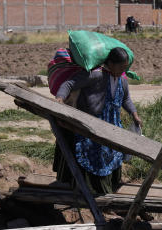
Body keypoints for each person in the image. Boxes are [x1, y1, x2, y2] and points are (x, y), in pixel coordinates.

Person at [53, 47, 142, 195]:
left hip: (113, 127)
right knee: (94, 154)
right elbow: (69, 84)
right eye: (121, 67)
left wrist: (134, 114)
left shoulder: (122, 80)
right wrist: (60, 98)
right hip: (91, 126)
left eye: (125, 67)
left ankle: (110, 188)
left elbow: (126, 99)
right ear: (111, 64)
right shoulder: (95, 76)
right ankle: (92, 190)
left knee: (114, 154)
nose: (123, 70)